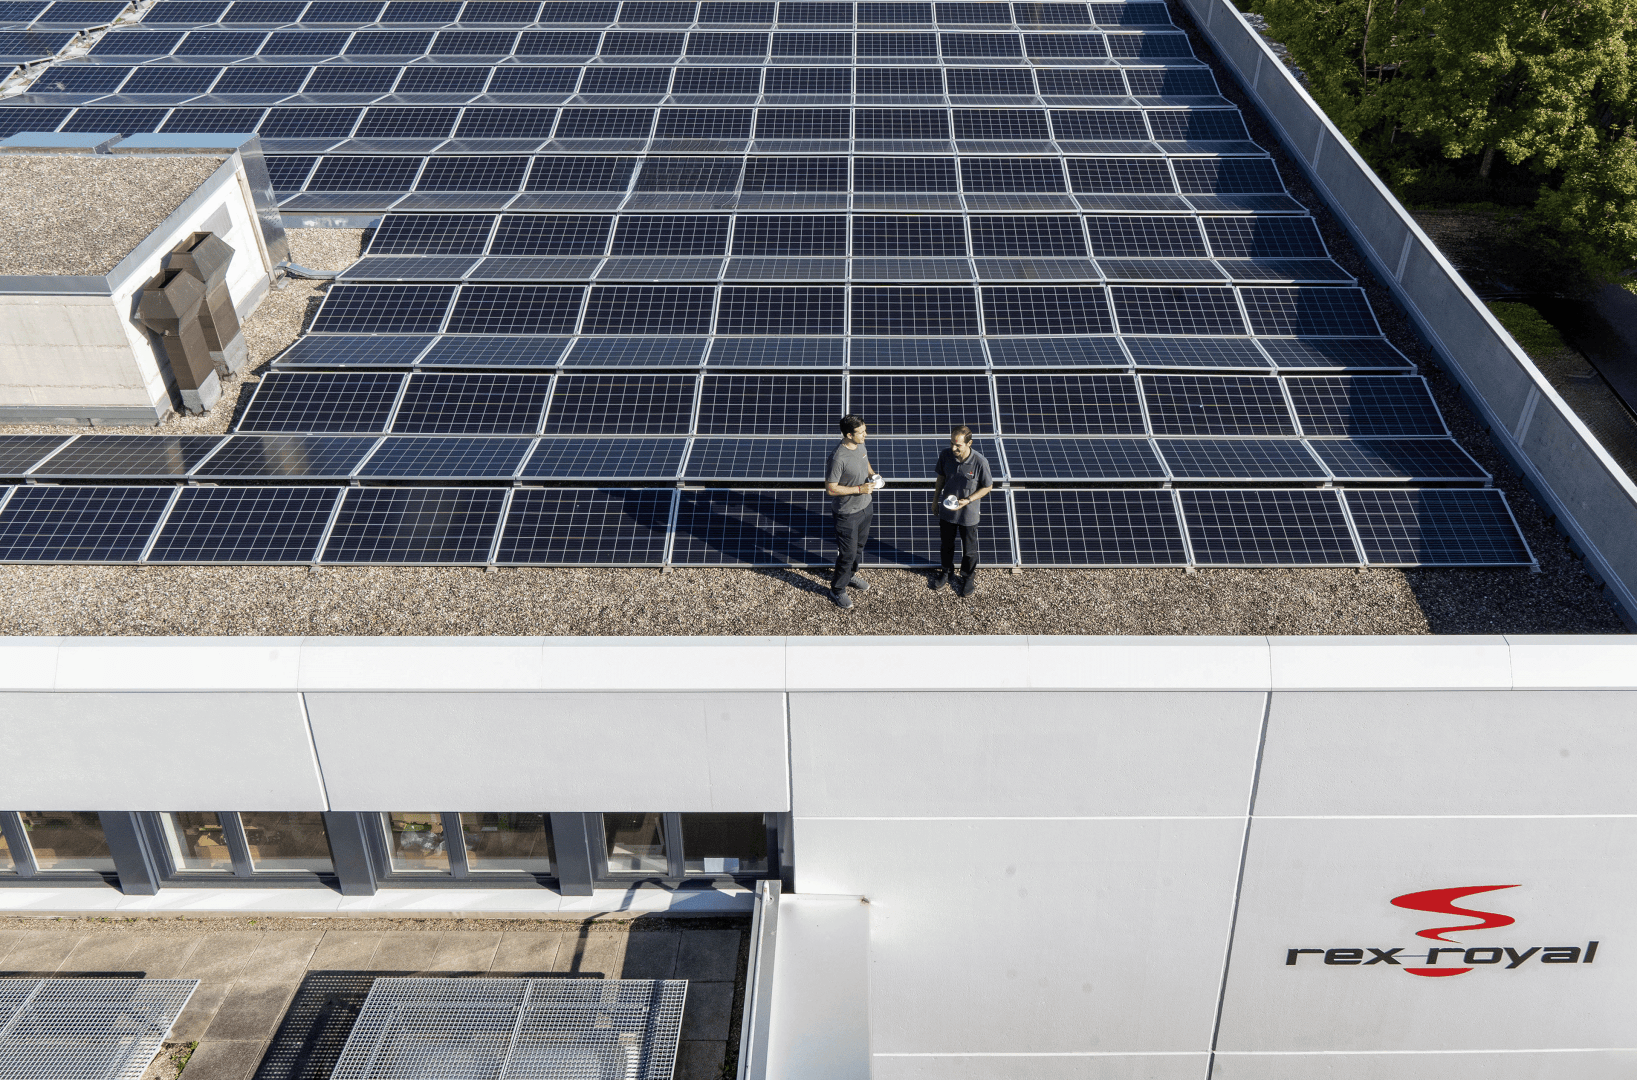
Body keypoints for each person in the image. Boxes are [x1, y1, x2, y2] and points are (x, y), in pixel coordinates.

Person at [933, 425, 993, 597]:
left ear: (969, 443)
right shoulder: (946, 455)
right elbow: (941, 478)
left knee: (969, 550)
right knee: (946, 545)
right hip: (947, 512)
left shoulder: (980, 462)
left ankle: (967, 577)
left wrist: (968, 500)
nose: (953, 448)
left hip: (969, 515)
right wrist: (935, 500)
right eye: (952, 443)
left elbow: (988, 486)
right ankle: (946, 571)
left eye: (958, 445)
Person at [825, 414, 878, 609]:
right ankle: (837, 590)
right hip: (847, 514)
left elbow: (865, 461)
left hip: (866, 507)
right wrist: (859, 489)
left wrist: (872, 474)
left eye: (865, 430)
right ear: (849, 434)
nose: (866, 435)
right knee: (847, 554)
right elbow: (831, 488)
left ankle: (851, 575)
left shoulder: (860, 444)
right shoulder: (838, 458)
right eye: (861, 432)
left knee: (859, 548)